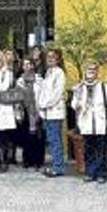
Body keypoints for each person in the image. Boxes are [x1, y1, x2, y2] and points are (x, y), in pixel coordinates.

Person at [71, 61, 107, 183]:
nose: (91, 72)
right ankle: (90, 172)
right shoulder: (80, 88)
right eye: (88, 70)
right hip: (86, 123)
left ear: (97, 72)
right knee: (88, 149)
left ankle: (101, 173)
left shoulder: (105, 88)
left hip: (100, 124)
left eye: (93, 70)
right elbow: (74, 104)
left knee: (101, 149)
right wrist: (77, 102)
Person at [39, 49, 67, 177]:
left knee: (55, 140)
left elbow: (57, 93)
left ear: (58, 59)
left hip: (54, 112)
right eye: (48, 57)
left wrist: (46, 104)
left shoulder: (59, 73)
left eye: (53, 57)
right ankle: (56, 164)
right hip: (47, 112)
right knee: (51, 140)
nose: (50, 59)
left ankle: (58, 167)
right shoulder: (48, 72)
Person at [15, 58, 43, 169]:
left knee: (37, 136)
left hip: (36, 109)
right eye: (24, 64)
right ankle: (27, 160)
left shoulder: (39, 79)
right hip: (24, 110)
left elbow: (41, 94)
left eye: (29, 64)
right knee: (26, 136)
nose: (27, 67)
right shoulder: (20, 81)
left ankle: (38, 160)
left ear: (32, 66)